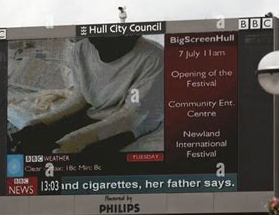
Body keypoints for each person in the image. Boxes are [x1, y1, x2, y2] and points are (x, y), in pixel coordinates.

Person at [10, 35, 164, 157]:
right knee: (30, 140)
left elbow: (132, 116)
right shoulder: (82, 48)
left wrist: (75, 141)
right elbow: (81, 97)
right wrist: (41, 121)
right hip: (96, 113)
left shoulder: (154, 56)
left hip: (136, 122)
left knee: (75, 158)